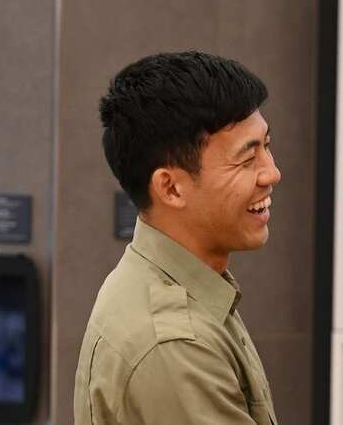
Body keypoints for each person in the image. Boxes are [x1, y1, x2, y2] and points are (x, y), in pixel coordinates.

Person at [73, 51, 282, 425]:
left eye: (266, 146)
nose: (272, 173)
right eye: (247, 159)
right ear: (170, 188)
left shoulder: (189, 289)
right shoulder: (174, 345)